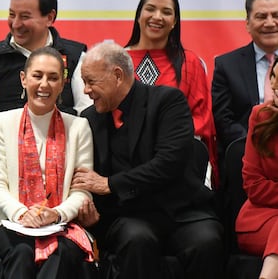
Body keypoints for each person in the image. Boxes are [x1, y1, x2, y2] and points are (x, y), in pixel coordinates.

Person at [72, 41, 224, 279]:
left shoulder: (167, 101)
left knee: (206, 240)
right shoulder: (89, 118)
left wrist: (111, 184)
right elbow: (85, 176)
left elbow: (168, 162)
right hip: (128, 216)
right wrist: (92, 215)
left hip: (180, 211)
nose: (85, 91)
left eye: (91, 82)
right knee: (137, 239)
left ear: (117, 75)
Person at [0, 0, 92, 259]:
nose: (15, 24)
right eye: (11, 15)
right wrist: (12, 148)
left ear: (50, 17)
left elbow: (87, 109)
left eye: (25, 16)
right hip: (4, 146)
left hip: (64, 145)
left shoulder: (75, 54)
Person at [0, 47, 94, 279]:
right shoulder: (1, 122)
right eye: (37, 76)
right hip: (9, 220)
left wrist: (57, 214)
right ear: (23, 79)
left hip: (61, 223)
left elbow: (82, 191)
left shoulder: (78, 127)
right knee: (21, 252)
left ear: (63, 84)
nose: (44, 85)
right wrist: (21, 213)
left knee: (62, 252)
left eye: (53, 78)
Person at [124, 0, 218, 189]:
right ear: (139, 14)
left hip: (177, 164)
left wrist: (164, 143)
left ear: (174, 22)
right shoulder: (117, 61)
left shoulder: (190, 63)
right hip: (125, 164)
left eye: (166, 12)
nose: (157, 17)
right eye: (150, 9)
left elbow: (201, 120)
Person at [212, 0, 278, 181]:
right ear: (247, 23)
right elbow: (224, 120)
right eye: (261, 16)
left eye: (276, 15)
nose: (270, 22)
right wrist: (256, 146)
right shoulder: (226, 65)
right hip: (244, 157)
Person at [235, 57, 278, 279]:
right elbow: (254, 185)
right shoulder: (261, 116)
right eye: (275, 79)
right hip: (259, 219)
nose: (277, 87)